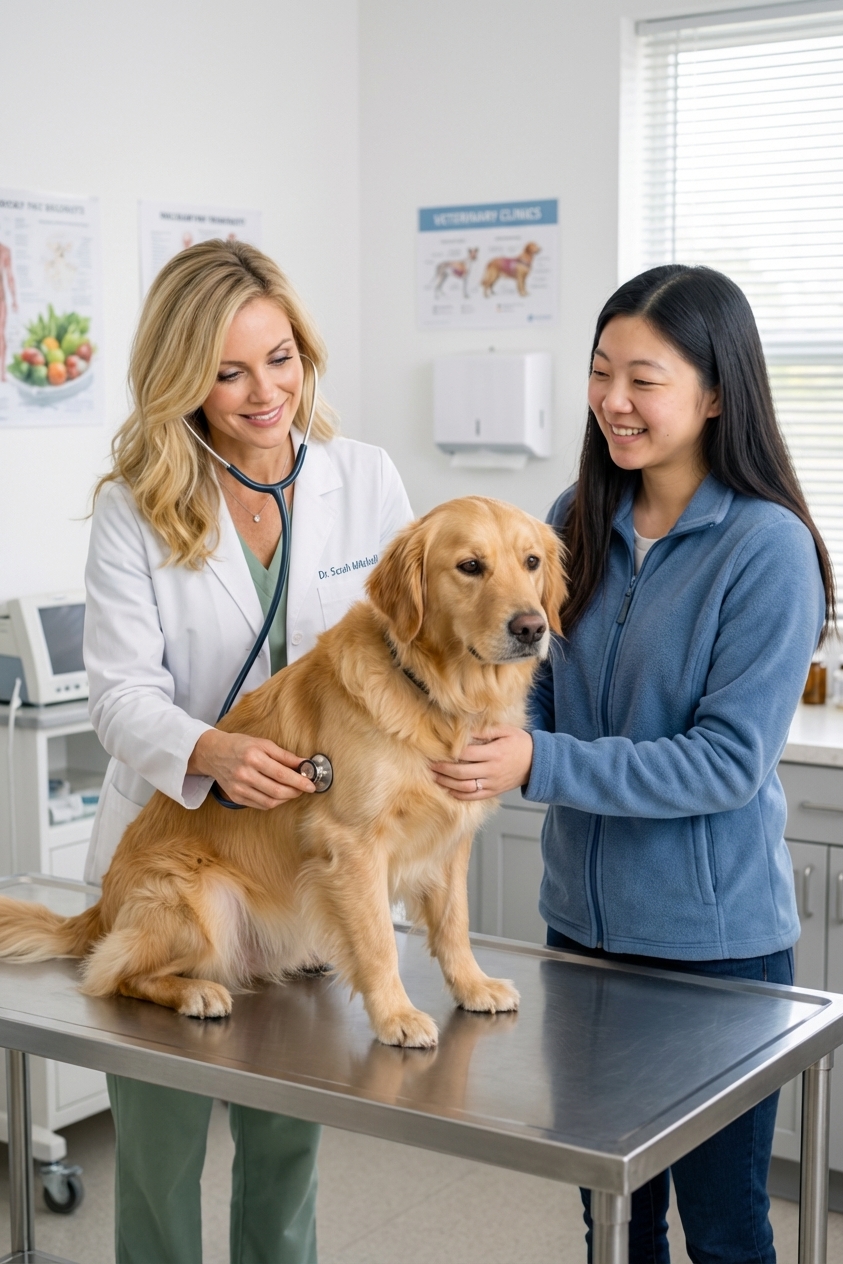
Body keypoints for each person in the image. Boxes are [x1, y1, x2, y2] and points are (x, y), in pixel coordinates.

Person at [431, 264, 835, 1262]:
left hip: (715, 955)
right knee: (612, 1209)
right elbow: (540, 690)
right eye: (602, 370)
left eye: (644, 378)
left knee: (726, 1224)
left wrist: (538, 760)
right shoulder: (573, 516)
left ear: (715, 393)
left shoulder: (767, 547)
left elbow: (725, 763)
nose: (614, 399)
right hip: (582, 933)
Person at [83, 239, 412, 1264]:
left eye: (281, 358)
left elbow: (418, 642)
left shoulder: (364, 479)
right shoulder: (133, 503)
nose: (263, 391)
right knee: (160, 1157)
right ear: (182, 379)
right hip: (186, 860)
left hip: (317, 872)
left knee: (284, 1154)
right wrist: (211, 750)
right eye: (227, 372)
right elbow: (118, 694)